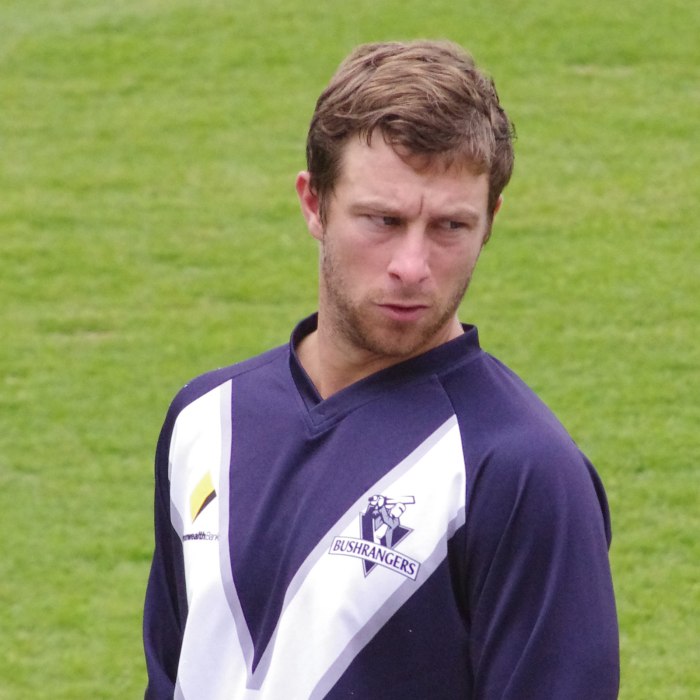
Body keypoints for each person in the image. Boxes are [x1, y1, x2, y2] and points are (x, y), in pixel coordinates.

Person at [143, 40, 619, 699]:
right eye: (383, 220)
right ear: (314, 204)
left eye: (450, 226)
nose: (412, 266)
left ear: (490, 223)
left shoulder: (520, 470)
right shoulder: (207, 420)